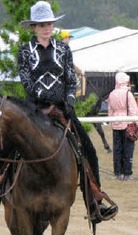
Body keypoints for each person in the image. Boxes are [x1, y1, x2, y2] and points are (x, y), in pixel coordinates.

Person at [17, 1, 117, 221]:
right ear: (33, 27)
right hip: (34, 110)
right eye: (41, 24)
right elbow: (26, 82)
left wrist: (69, 100)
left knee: (89, 150)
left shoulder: (63, 49)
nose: (46, 27)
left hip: (62, 110)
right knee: (9, 145)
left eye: (49, 23)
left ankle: (95, 203)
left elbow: (71, 80)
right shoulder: (25, 51)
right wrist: (45, 99)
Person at [107, 72, 138, 181]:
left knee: (117, 149)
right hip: (128, 123)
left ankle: (118, 173)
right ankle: (127, 173)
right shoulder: (128, 94)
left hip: (116, 124)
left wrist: (111, 122)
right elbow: (133, 111)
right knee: (128, 150)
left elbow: (110, 110)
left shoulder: (111, 94)